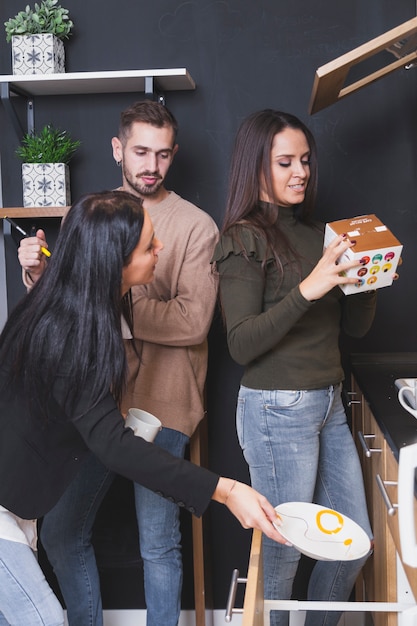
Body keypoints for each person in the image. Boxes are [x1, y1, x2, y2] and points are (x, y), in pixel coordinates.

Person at [0, 190, 285, 626]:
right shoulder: (70, 332)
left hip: (17, 498)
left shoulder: (91, 305)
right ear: (115, 262)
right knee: (44, 620)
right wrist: (226, 490)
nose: (161, 249)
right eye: (149, 246)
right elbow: (114, 446)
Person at [18, 101, 219, 626]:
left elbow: (193, 323)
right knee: (61, 531)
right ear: (118, 150)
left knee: (158, 543)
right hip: (98, 404)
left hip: (164, 401)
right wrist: (39, 273)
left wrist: (106, 296)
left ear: (173, 156)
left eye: (163, 154)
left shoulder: (196, 226)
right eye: (140, 151)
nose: (151, 164)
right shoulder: (88, 215)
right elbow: (67, 302)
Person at [211, 110, 377, 626]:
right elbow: (240, 343)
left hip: (327, 400)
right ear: (256, 166)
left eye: (304, 160)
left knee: (354, 545)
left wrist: (367, 278)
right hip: (276, 408)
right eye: (285, 162)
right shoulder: (242, 239)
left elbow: (355, 330)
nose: (300, 172)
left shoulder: (315, 236)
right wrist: (312, 286)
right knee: (283, 556)